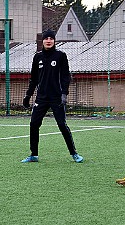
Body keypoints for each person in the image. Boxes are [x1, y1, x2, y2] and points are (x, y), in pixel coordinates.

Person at [21, 29, 83, 163]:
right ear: (42, 41)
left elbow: (66, 76)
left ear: (54, 41)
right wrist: (28, 95)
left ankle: (74, 154)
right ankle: (34, 155)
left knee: (61, 124)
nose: (48, 40)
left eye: (51, 38)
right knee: (34, 124)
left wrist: (64, 94)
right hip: (41, 98)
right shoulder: (37, 57)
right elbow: (34, 79)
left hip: (56, 98)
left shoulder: (61, 56)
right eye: (46, 38)